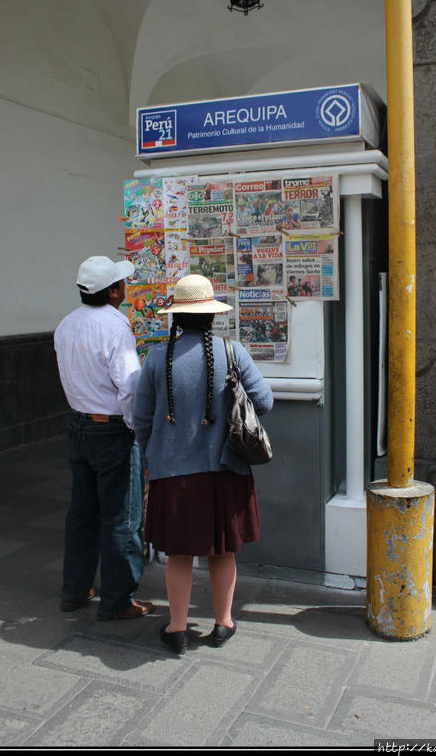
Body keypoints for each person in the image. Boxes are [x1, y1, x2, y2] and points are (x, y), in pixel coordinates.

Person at [133, 273, 273, 655]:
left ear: (176, 318)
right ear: (212, 316)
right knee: (223, 550)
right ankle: (223, 622)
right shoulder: (234, 352)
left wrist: (152, 456)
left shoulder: (157, 358)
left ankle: (177, 628)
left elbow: (141, 417)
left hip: (173, 473)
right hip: (225, 470)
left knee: (178, 553)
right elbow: (264, 401)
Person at [54, 255, 157, 621]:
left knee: (81, 512)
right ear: (114, 291)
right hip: (111, 428)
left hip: (78, 425)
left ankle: (76, 588)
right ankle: (117, 599)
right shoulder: (116, 328)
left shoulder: (66, 325)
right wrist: (135, 427)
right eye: (121, 283)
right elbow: (129, 387)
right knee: (121, 517)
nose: (125, 288)